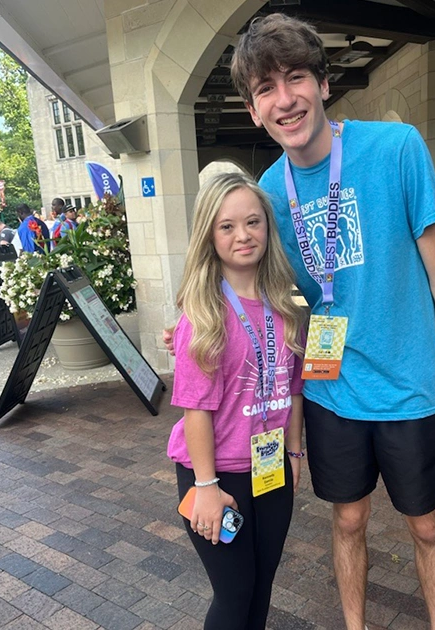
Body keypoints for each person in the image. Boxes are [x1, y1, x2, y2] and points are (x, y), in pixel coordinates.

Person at [233, 14, 435, 630]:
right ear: (253, 110)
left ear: (322, 83)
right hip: (331, 390)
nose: (284, 98)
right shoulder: (268, 191)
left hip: (412, 387)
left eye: (295, 78)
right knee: (347, 519)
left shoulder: (396, 149)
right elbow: (271, 294)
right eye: (267, 88)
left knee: (425, 523)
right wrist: (201, 319)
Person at [169, 172, 307, 629]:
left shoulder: (284, 306)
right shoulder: (205, 314)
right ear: (210, 235)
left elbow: (292, 388)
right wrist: (205, 487)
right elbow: (195, 409)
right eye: (227, 226)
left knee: (262, 584)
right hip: (216, 473)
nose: (243, 235)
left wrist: (293, 451)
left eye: (252, 222)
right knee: (234, 593)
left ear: (268, 227)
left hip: (269, 466)